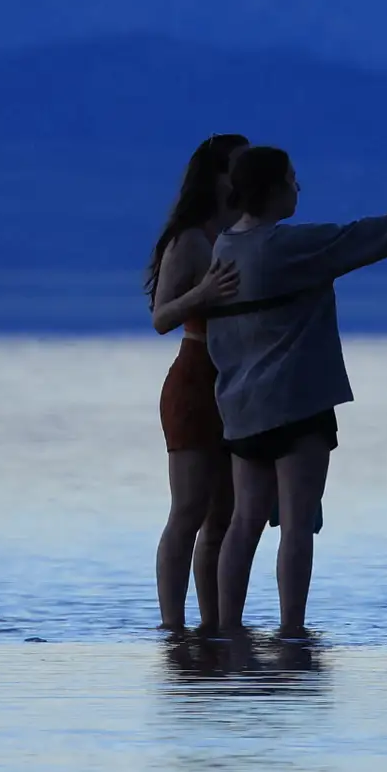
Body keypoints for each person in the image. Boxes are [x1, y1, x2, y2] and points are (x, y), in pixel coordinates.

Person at [205, 145, 387, 640]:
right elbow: (374, 235)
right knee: (297, 525)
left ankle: (225, 630)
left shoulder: (223, 248)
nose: (298, 188)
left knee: (244, 522)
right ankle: (291, 632)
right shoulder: (290, 246)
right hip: (297, 405)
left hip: (241, 407)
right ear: (273, 189)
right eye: (293, 180)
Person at [143, 131, 251, 635]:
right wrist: (203, 292)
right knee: (188, 510)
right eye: (238, 165)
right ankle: (172, 627)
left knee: (224, 518)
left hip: (239, 382)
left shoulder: (246, 229)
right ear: (216, 175)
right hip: (194, 380)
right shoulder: (189, 239)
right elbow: (161, 317)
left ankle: (217, 626)